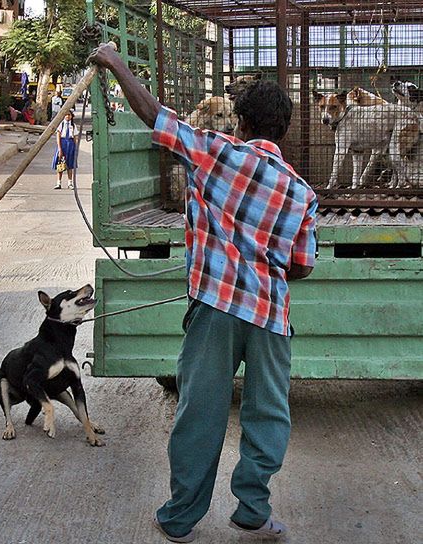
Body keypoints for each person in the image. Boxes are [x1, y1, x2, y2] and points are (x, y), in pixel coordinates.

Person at [89, 44, 317, 543]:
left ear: (240, 121)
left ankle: (180, 519)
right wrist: (263, 260)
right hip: (270, 316)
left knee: (201, 413)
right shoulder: (302, 192)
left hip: (215, 307)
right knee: (269, 413)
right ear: (284, 130)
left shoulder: (216, 153)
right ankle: (253, 509)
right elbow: (302, 264)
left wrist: (115, 61)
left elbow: (155, 116)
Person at [52, 110, 77, 189]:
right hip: (63, 144)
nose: (67, 116)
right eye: (66, 115)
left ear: (71, 116)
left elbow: (75, 137)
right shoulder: (61, 125)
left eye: (69, 115)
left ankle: (70, 183)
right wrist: (60, 149)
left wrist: (75, 148)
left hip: (70, 145)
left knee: (70, 165)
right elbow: (58, 136)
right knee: (60, 164)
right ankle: (58, 183)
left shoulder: (73, 125)